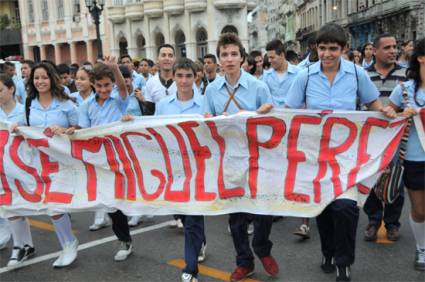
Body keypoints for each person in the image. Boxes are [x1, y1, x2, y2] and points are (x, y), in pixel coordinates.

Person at [286, 23, 396, 281]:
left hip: (347, 158)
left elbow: (374, 104)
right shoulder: (305, 76)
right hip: (315, 157)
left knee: (346, 209)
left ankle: (343, 263)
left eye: (333, 49)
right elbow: (288, 112)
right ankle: (328, 252)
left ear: (344, 49)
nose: (327, 54)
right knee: (323, 209)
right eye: (322, 48)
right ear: (316, 48)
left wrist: (386, 111)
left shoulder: (358, 75)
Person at [203, 32, 278, 282]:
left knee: (263, 212)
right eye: (224, 54)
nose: (229, 59)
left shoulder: (259, 87)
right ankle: (244, 262)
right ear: (219, 60)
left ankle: (262, 248)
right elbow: (207, 123)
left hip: (258, 160)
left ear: (242, 57)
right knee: (236, 219)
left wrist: (263, 113)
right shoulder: (212, 90)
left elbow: (273, 124)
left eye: (234, 54)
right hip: (229, 161)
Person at [9, 62, 80, 268]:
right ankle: (68, 243)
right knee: (52, 204)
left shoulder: (66, 103)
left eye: (44, 77)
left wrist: (67, 129)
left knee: (56, 203)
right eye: (36, 78)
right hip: (40, 163)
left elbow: (80, 127)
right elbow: (24, 124)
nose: (40, 81)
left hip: (65, 161)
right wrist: (16, 126)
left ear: (52, 79)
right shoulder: (30, 103)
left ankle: (69, 242)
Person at [143, 58, 207, 282]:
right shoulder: (163, 105)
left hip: (200, 167)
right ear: (174, 78)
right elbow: (153, 131)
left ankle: (190, 268)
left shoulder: (205, 103)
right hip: (173, 167)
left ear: (195, 77)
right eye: (179, 76)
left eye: (188, 76)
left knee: (192, 219)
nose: (184, 81)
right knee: (181, 212)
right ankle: (201, 240)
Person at [76, 57, 133, 261]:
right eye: (99, 86)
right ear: (93, 84)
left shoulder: (119, 99)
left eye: (107, 85)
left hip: (122, 156)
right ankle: (124, 239)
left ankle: (129, 229)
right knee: (111, 202)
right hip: (99, 158)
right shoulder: (85, 106)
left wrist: (115, 68)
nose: (103, 90)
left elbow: (122, 87)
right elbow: (83, 131)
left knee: (124, 197)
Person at [363, 34, 408, 242]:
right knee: (369, 177)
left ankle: (392, 223)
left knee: (395, 179)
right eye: (388, 47)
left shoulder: (406, 74)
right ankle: (373, 219)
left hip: (397, 137)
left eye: (395, 47)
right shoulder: (363, 75)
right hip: (369, 137)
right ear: (375, 51)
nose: (393, 51)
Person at [388, 37, 425, 271]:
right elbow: (387, 112)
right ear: (421, 58)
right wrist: (400, 114)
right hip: (414, 158)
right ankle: (421, 248)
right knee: (420, 210)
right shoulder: (404, 89)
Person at [0, 74, 24, 251]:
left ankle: (23, 243)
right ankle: (7, 234)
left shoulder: (25, 111)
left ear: (11, 89)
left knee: (21, 204)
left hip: (22, 165)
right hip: (2, 164)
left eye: (0, 90)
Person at [262, 39, 299, 108]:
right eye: (268, 58)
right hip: (273, 116)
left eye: (272, 57)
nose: (269, 61)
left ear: (282, 55)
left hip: (294, 116)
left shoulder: (298, 73)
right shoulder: (266, 76)